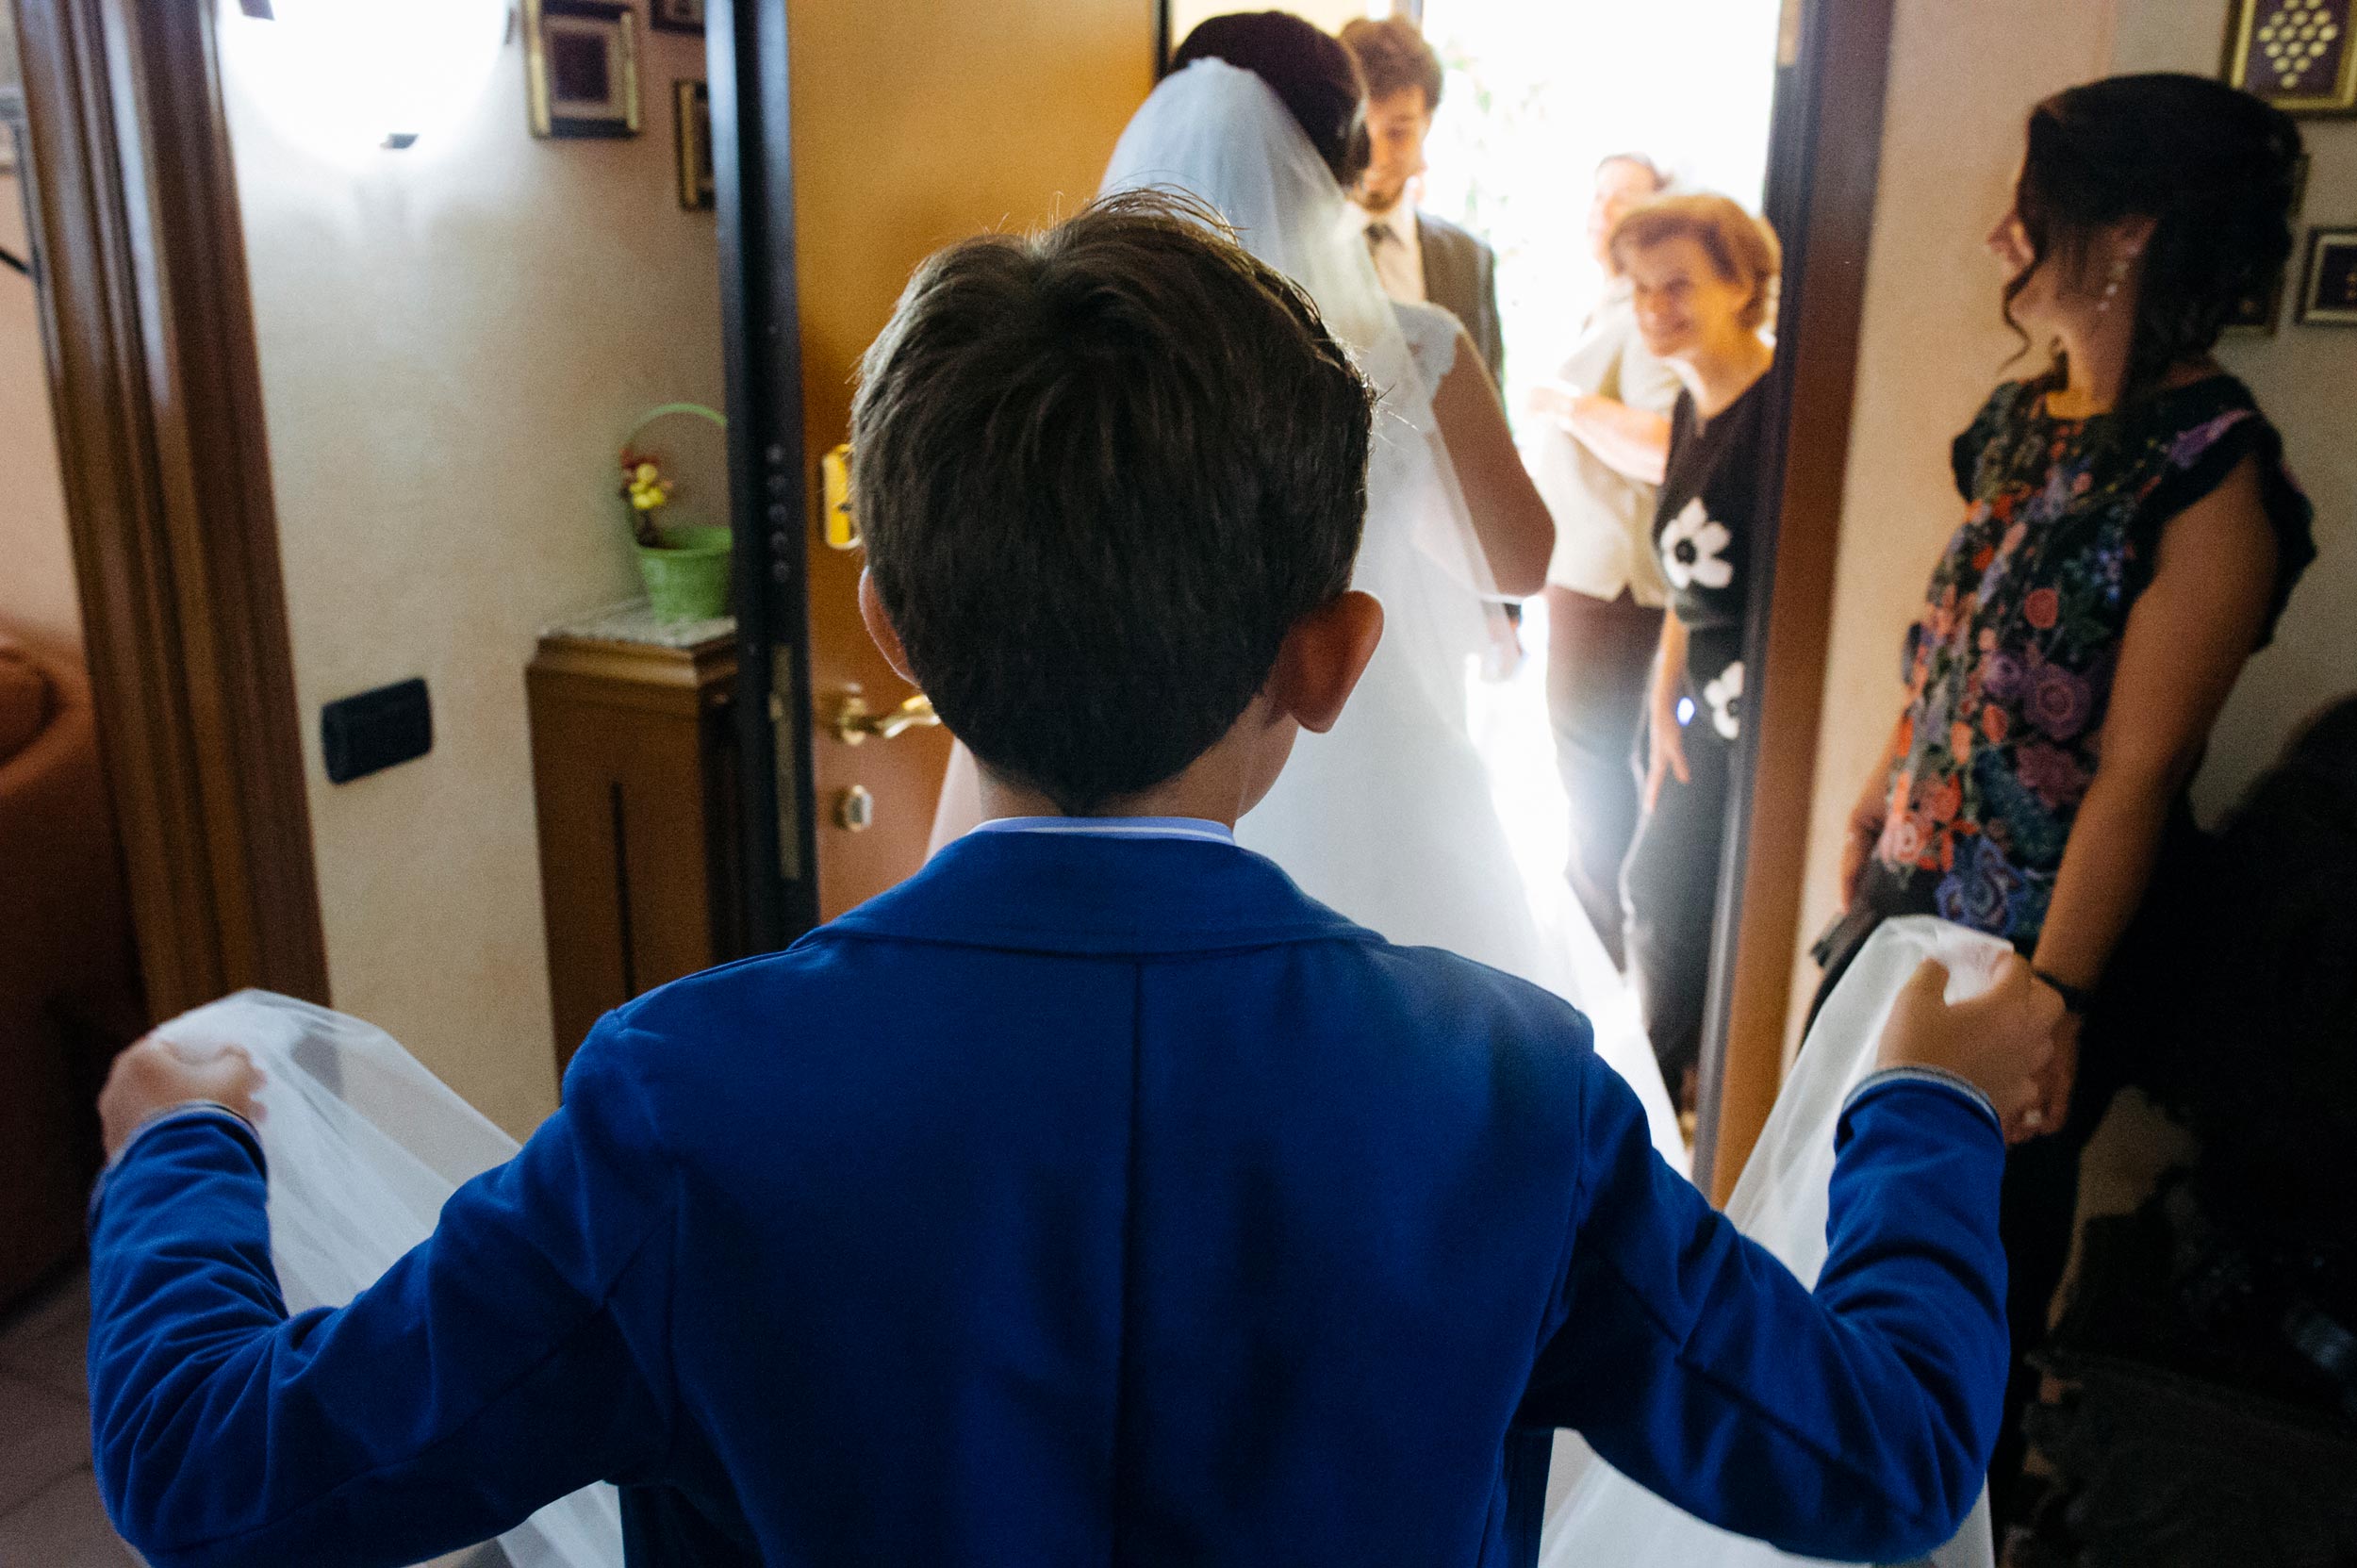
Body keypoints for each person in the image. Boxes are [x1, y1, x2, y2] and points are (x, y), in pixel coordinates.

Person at [89, 192, 2056, 1568]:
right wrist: (1921, 1107)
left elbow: (218, 1476)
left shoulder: (683, 1103)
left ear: (892, 627)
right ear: (1330, 658)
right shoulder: (1513, 1092)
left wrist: (174, 1151)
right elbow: (1877, 1458)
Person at [933, 25, 1647, 1142]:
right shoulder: (1406, 347)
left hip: (1106, 750)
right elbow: (1518, 557)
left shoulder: (1076, 366)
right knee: (1387, 1099)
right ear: (1336, 166)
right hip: (1353, 723)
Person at [1810, 73, 2316, 1526]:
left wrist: (2058, 1004)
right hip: (1910, 894)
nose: (2000, 235)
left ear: (2130, 229)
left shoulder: (2213, 477)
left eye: (2033, 207)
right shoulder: (2024, 419)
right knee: (1837, 1208)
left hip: (2035, 943)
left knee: (1962, 1272)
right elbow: (1958, 638)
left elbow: (2140, 772)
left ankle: (1930, 1528)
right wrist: (1877, 796)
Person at [1610, 192, 1781, 1116]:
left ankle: (1679, 1109)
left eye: (1676, 284)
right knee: (1658, 895)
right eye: (1640, 288)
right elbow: (1685, 584)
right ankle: (1670, 1099)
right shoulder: (1689, 405)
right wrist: (1660, 704)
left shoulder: (1778, 408)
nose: (1653, 307)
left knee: (1688, 911)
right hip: (1695, 706)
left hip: (1754, 715)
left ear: (1742, 284)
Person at [1524, 152, 1683, 968]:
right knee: (1585, 760)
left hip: (1613, 578)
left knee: (1592, 763)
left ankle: (1603, 952)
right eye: (1597, 196)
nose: (1602, 211)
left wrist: (1566, 404)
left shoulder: (1646, 318)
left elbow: (1664, 446)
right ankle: (1597, 942)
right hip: (1582, 569)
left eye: (1623, 199)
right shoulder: (1603, 306)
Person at [1337, 14, 1506, 383]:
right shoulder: (1293, 243)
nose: (1377, 157)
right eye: (1361, 132)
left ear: (1427, 124)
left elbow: (1483, 401)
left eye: (1398, 133)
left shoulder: (1469, 261)